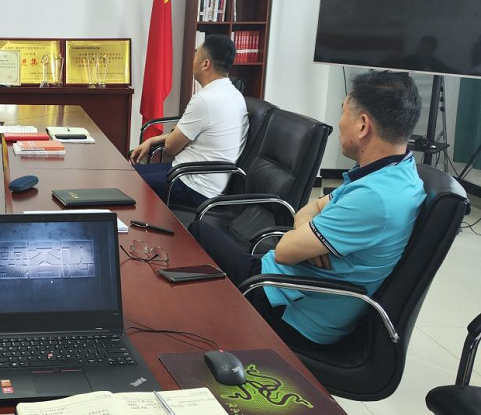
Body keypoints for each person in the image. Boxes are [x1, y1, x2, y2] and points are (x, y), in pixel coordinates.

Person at [189, 70, 425, 346]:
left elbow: (285, 251)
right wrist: (308, 230)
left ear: (363, 126)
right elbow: (309, 209)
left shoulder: (374, 198)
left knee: (198, 231)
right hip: (293, 289)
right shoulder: (396, 173)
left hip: (290, 309)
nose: (340, 123)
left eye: (343, 113)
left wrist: (306, 233)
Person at [130, 34, 248, 208]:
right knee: (127, 173)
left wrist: (167, 138)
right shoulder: (235, 95)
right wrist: (153, 140)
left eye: (195, 56)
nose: (192, 61)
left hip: (193, 185)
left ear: (205, 64)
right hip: (194, 176)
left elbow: (171, 147)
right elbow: (186, 135)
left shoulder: (205, 100)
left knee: (127, 182)